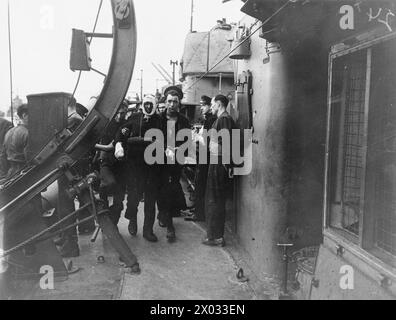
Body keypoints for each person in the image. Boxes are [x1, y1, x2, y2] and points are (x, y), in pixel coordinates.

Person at [115, 95, 163, 242]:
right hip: (135, 165)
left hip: (153, 166)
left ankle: (148, 230)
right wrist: (119, 145)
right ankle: (132, 220)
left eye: (151, 105)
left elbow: (164, 139)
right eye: (146, 104)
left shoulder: (160, 121)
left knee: (150, 199)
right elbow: (121, 133)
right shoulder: (135, 117)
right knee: (133, 197)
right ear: (143, 105)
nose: (148, 107)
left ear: (155, 105)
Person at [203, 95, 237, 247]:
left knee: (215, 200)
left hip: (218, 163)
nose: (211, 107)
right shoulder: (223, 119)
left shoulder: (223, 119)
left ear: (218, 104)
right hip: (218, 162)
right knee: (215, 200)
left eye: (212, 104)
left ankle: (216, 237)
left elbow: (227, 144)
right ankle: (215, 236)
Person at [157, 87, 191, 242]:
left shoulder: (184, 121)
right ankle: (166, 220)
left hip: (176, 162)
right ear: (165, 102)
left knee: (171, 188)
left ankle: (166, 217)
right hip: (160, 161)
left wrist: (179, 150)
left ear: (179, 103)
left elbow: (187, 142)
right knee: (163, 189)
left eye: (175, 102)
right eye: (169, 101)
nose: (171, 104)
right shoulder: (158, 119)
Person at [95, 102, 129, 228]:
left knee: (119, 202)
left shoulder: (126, 126)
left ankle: (112, 225)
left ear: (126, 112)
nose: (120, 116)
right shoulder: (106, 125)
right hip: (107, 163)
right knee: (109, 184)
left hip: (121, 166)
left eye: (123, 113)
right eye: (118, 113)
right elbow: (96, 142)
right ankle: (102, 203)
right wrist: (103, 148)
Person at [186, 95, 217, 222]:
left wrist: (197, 137)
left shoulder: (211, 120)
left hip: (205, 157)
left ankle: (199, 214)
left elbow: (206, 140)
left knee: (200, 185)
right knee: (198, 184)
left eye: (204, 105)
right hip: (203, 156)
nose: (202, 107)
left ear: (210, 106)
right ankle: (197, 210)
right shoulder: (208, 119)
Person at [1, 104, 29, 180]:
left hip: (10, 174)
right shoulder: (27, 133)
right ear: (24, 115)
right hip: (24, 175)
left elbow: (3, 156)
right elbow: (29, 159)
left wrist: (3, 176)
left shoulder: (9, 132)